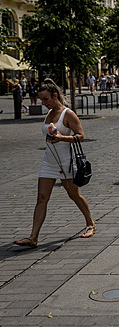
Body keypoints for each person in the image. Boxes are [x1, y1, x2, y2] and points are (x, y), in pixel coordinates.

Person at [13, 79, 95, 248]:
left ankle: (91, 223)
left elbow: (81, 136)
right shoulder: (48, 113)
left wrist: (61, 138)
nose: (43, 103)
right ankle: (33, 237)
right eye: (41, 100)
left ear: (55, 96)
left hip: (66, 162)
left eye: (46, 99)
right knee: (41, 198)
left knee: (74, 195)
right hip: (49, 161)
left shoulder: (68, 113)